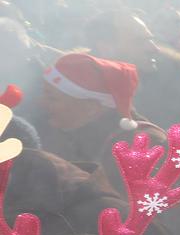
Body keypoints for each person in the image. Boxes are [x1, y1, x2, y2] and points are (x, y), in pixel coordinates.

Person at [32, 51, 164, 172]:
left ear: (92, 108)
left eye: (52, 98)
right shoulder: (55, 130)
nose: (41, 103)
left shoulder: (139, 151)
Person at [83, 10, 180, 129]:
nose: (154, 49)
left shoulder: (179, 76)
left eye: (150, 39)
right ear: (106, 49)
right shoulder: (73, 96)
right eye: (140, 41)